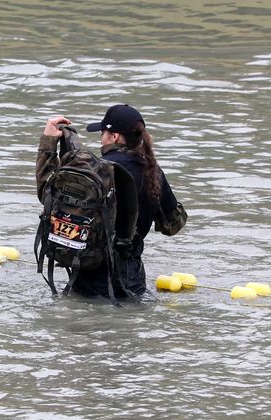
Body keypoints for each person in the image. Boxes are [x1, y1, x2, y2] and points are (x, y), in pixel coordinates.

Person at [36, 104, 186, 298]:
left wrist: (48, 144)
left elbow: (47, 196)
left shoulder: (95, 171)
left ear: (114, 136)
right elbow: (172, 226)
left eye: (102, 133)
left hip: (90, 284)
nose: (101, 138)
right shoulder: (154, 172)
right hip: (133, 282)